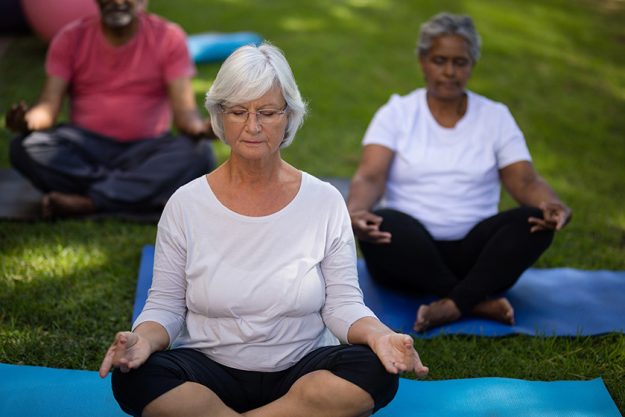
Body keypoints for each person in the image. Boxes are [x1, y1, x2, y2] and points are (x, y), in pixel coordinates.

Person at [98, 43, 429, 417]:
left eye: (268, 112)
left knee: (374, 370)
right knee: (135, 375)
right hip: (208, 372)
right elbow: (166, 306)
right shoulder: (186, 204)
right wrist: (142, 340)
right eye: (239, 112)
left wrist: (380, 335)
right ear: (220, 116)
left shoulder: (324, 201)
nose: (253, 126)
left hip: (302, 368)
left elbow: (342, 304)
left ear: (289, 116)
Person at [348, 12, 572, 333]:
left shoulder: (495, 116)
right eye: (440, 60)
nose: (450, 72)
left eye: (460, 62)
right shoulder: (396, 113)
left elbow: (525, 180)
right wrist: (354, 212)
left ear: (472, 65)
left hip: (476, 253)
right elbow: (369, 176)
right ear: (423, 60)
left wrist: (552, 205)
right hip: (408, 250)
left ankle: (451, 304)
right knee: (383, 222)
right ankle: (475, 300)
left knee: (534, 223)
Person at [6, 0, 215, 218]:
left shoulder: (168, 37)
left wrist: (200, 128)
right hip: (85, 149)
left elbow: (185, 114)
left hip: (146, 150)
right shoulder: (71, 37)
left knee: (199, 153)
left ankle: (91, 201)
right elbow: (47, 107)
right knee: (25, 147)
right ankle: (132, 191)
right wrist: (28, 122)